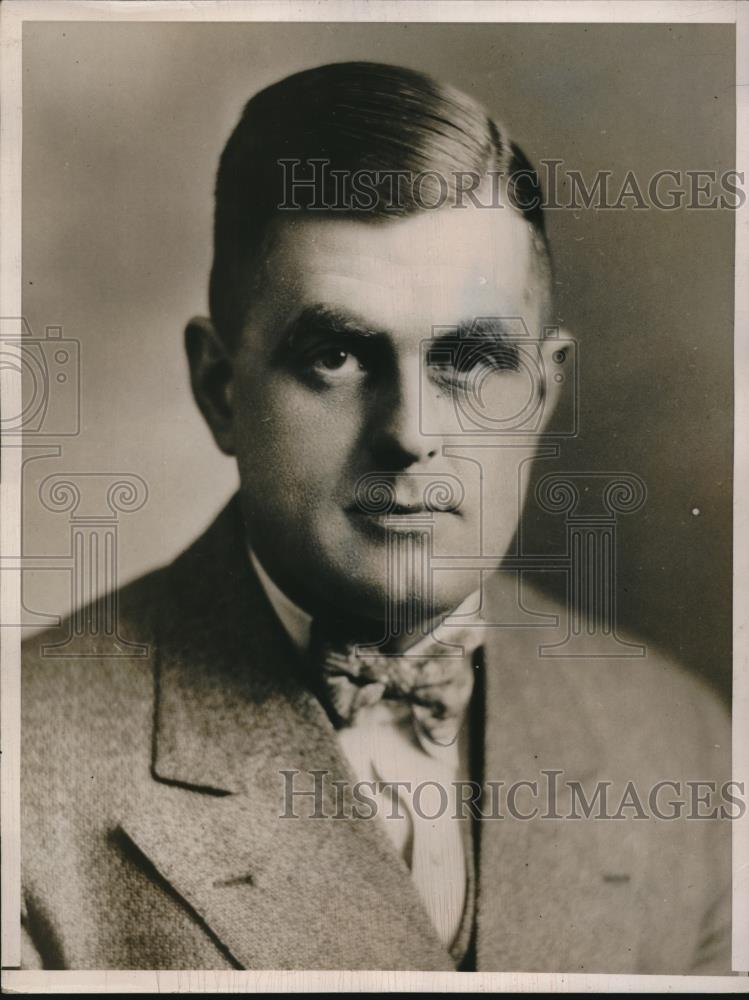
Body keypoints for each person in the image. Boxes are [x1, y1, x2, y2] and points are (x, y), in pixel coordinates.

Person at [21, 61, 732, 973]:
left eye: (472, 359)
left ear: (543, 393)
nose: (410, 433)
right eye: (335, 354)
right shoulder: (26, 765)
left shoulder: (680, 743)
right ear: (220, 390)